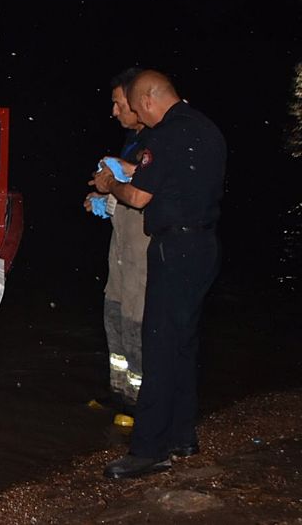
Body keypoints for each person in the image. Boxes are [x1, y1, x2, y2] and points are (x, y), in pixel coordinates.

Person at [91, 69, 226, 479]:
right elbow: (180, 181)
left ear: (148, 101)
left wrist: (110, 183)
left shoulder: (165, 135)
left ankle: (149, 449)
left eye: (134, 106)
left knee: (159, 345)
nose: (135, 115)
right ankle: (183, 436)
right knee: (183, 344)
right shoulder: (207, 128)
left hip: (174, 247)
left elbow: (139, 196)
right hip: (204, 245)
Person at [84, 68, 150, 426]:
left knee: (137, 317)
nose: (114, 111)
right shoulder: (133, 140)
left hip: (143, 243)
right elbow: (125, 190)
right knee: (114, 309)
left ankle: (141, 403)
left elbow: (154, 193)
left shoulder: (159, 141)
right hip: (121, 239)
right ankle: (119, 392)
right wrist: (104, 197)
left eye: (118, 103)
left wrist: (121, 178)